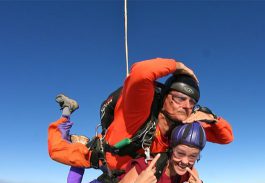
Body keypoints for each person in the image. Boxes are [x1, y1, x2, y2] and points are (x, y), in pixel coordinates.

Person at [48, 58, 233, 171]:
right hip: (100, 157)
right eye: (179, 98)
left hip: (126, 170)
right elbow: (141, 73)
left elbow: (226, 138)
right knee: (56, 150)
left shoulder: (182, 127)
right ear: (164, 98)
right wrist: (177, 66)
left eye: (192, 102)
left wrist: (213, 119)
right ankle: (67, 111)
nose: (186, 106)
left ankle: (79, 136)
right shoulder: (139, 114)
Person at [62, 119, 214, 183]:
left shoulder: (190, 173)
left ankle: (91, 150)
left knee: (102, 161)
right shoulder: (147, 168)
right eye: (180, 153)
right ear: (171, 149)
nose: (185, 161)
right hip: (115, 178)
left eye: (193, 156)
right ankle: (79, 149)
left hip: (120, 166)